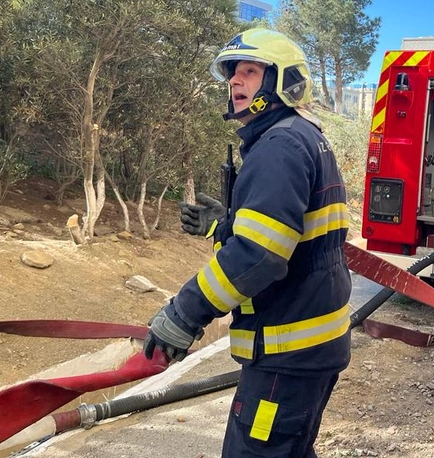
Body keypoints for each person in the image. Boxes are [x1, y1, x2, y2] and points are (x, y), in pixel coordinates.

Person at [144, 29, 351, 457]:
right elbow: (292, 239)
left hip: (286, 354)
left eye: (250, 71)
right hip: (307, 349)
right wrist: (225, 224)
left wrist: (183, 314)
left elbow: (260, 256)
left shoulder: (279, 146)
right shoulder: (302, 136)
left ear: (283, 81)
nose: (235, 82)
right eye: (233, 73)